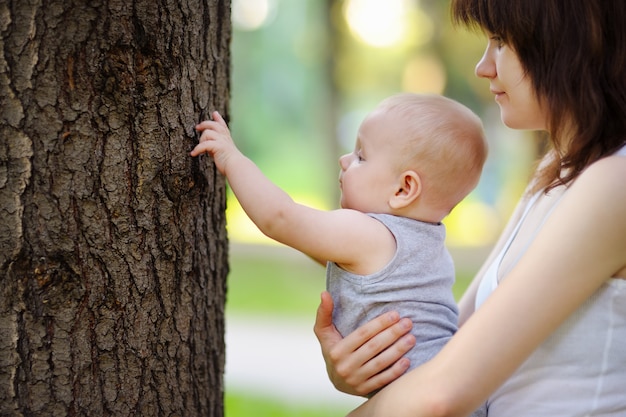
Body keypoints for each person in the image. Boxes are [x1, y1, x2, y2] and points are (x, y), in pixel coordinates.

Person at [313, 1, 626, 416]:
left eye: (500, 41)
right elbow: (452, 347)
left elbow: (441, 394)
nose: (483, 66)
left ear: (565, 42)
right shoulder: (554, 174)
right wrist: (375, 364)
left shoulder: (613, 185)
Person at [190, 94, 487, 414]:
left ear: (403, 190)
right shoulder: (427, 247)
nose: (345, 160)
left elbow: (281, 219)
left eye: (361, 156)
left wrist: (232, 159)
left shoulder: (369, 234)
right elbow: (321, 249)